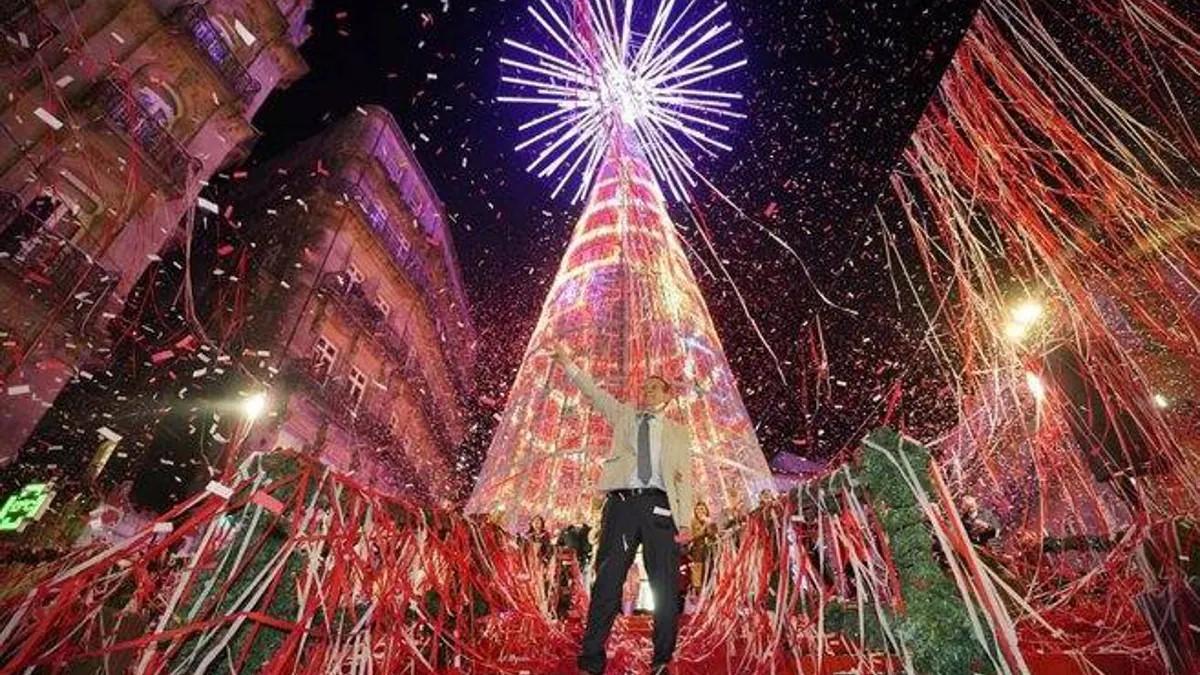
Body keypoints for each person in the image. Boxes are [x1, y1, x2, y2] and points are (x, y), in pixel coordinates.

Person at [550, 343, 696, 675]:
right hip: (622, 505)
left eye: (654, 387)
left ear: (667, 395)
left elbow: (683, 479)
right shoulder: (625, 415)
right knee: (608, 581)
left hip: (661, 508)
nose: (646, 391)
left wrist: (684, 521)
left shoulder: (678, 433)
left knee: (665, 585)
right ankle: (591, 660)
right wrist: (569, 365)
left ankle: (661, 660)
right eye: (644, 386)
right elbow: (594, 393)